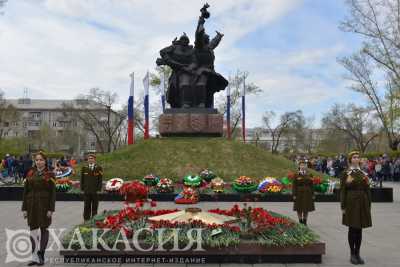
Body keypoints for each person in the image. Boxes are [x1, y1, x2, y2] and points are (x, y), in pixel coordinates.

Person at [21, 151, 56, 266]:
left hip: (44, 206)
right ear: (34, 161)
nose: (39, 162)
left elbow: (53, 193)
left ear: (45, 161)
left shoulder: (49, 174)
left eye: (41, 160)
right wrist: (24, 208)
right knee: (33, 230)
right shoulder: (30, 173)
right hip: (31, 206)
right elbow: (25, 192)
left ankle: (41, 254)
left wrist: (51, 209)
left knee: (43, 229)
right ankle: (34, 256)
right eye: (37, 160)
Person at [340, 151, 372, 265]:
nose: (356, 159)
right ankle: (352, 254)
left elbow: (367, 188)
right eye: (354, 157)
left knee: (360, 229)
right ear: (350, 160)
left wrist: (369, 203)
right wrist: (343, 206)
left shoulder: (364, 173)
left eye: (358, 157)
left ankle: (358, 253)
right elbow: (343, 190)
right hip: (351, 202)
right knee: (352, 228)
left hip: (363, 202)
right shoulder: (346, 173)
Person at [292, 159, 315, 225]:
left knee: (306, 208)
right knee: (299, 208)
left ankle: (305, 221)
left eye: (304, 165)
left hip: (307, 193)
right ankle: (300, 221)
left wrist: (313, 194)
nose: (303, 166)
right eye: (301, 165)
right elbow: (294, 185)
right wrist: (294, 194)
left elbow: (311, 185)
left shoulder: (309, 174)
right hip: (299, 193)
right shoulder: (296, 175)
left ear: (306, 166)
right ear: (299, 166)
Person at [80, 154, 103, 221]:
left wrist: (99, 189)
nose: (90, 159)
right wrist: (82, 188)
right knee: (86, 206)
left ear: (94, 160)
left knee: (95, 206)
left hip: (95, 191)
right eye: (89, 158)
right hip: (87, 190)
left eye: (92, 158)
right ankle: (86, 220)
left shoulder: (98, 168)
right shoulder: (84, 168)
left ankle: (94, 219)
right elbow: (82, 179)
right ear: (87, 160)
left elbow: (100, 179)